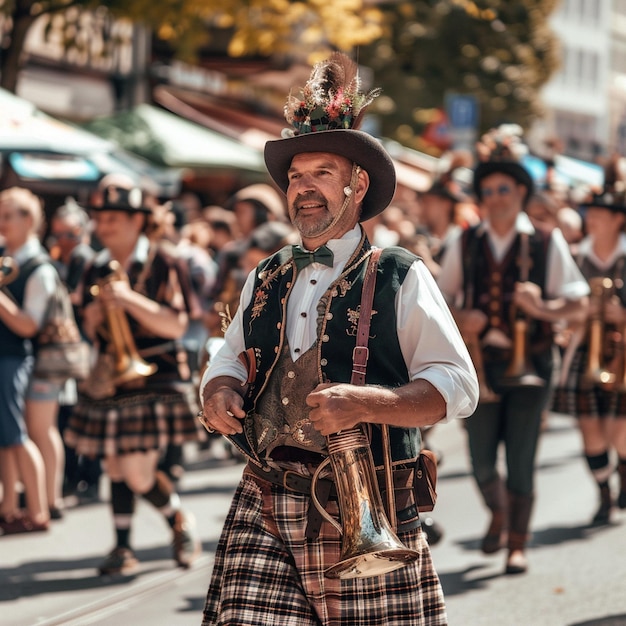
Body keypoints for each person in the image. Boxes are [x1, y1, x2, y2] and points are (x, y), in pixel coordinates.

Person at [198, 52, 479, 626]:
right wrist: (219, 390)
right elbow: (225, 359)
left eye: (321, 173)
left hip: (365, 500)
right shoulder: (266, 273)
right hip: (267, 498)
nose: (303, 188)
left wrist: (372, 403)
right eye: (296, 176)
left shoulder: (401, 273)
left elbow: (459, 384)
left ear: (358, 184)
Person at [437, 125, 590, 575]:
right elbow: (437, 302)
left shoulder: (547, 240)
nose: (496, 197)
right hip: (479, 365)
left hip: (535, 364)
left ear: (522, 191)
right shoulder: (463, 242)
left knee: (521, 456)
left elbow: (579, 304)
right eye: (488, 190)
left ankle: (516, 544)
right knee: (482, 458)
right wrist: (460, 318)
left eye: (505, 188)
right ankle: (498, 513)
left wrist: (543, 307)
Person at [63, 179, 202, 575]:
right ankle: (123, 546)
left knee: (137, 471)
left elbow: (175, 326)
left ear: (138, 221)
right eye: (100, 218)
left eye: (112, 218)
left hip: (158, 375)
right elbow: (87, 329)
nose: (103, 226)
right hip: (112, 375)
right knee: (114, 467)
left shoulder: (165, 261)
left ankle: (177, 519)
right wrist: (91, 320)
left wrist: (126, 298)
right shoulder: (92, 264)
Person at [553, 179, 626, 525]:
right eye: (590, 212)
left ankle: (623, 474)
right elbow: (563, 302)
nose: (591, 218)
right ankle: (604, 493)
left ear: (617, 218)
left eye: (600, 213)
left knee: (618, 431)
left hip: (623, 351)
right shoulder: (577, 257)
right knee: (589, 429)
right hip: (584, 350)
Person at [0, 187, 52, 534]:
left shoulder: (39, 267)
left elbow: (29, 324)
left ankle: (37, 510)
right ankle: (9, 508)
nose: (1, 222)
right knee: (6, 437)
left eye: (7, 215)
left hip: (14, 358)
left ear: (28, 220)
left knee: (18, 435)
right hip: (5, 356)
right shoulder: (7, 257)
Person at [46, 197, 101, 505]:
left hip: (84, 347)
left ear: (81, 232)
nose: (63, 241)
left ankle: (88, 478)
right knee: (71, 415)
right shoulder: (65, 257)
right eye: (58, 235)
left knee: (82, 413)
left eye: (69, 234)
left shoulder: (83, 257)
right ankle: (77, 477)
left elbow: (79, 301)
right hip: (72, 347)